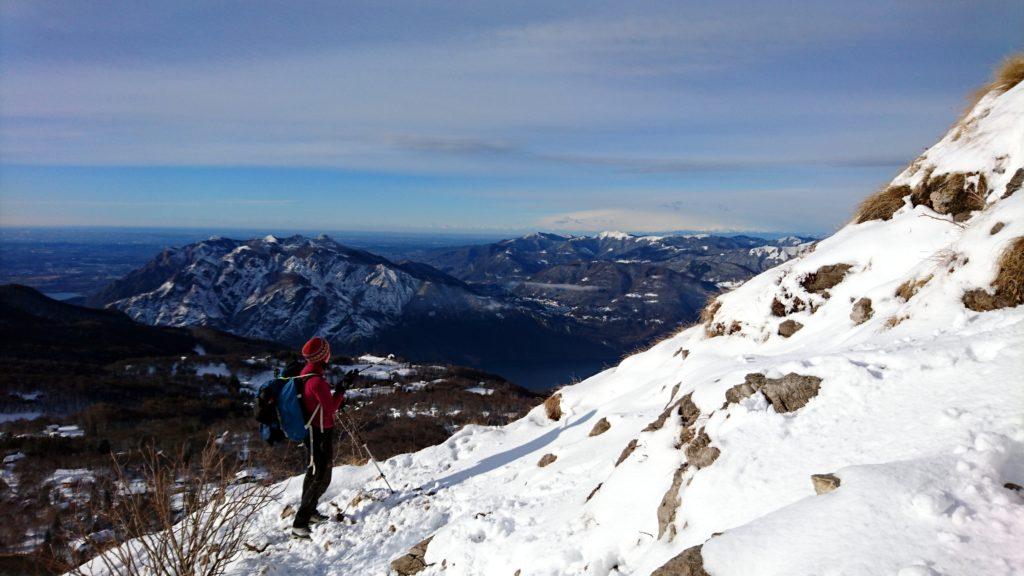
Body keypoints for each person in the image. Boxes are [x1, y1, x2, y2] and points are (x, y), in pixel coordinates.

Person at [291, 336, 347, 539]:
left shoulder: (307, 374)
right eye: (327, 351)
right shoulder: (316, 380)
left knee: (315, 473)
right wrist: (340, 392)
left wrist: (338, 395)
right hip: (320, 432)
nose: (329, 354)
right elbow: (331, 407)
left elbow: (322, 404)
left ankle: (311, 511)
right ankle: (300, 523)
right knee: (319, 476)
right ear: (323, 356)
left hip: (315, 430)